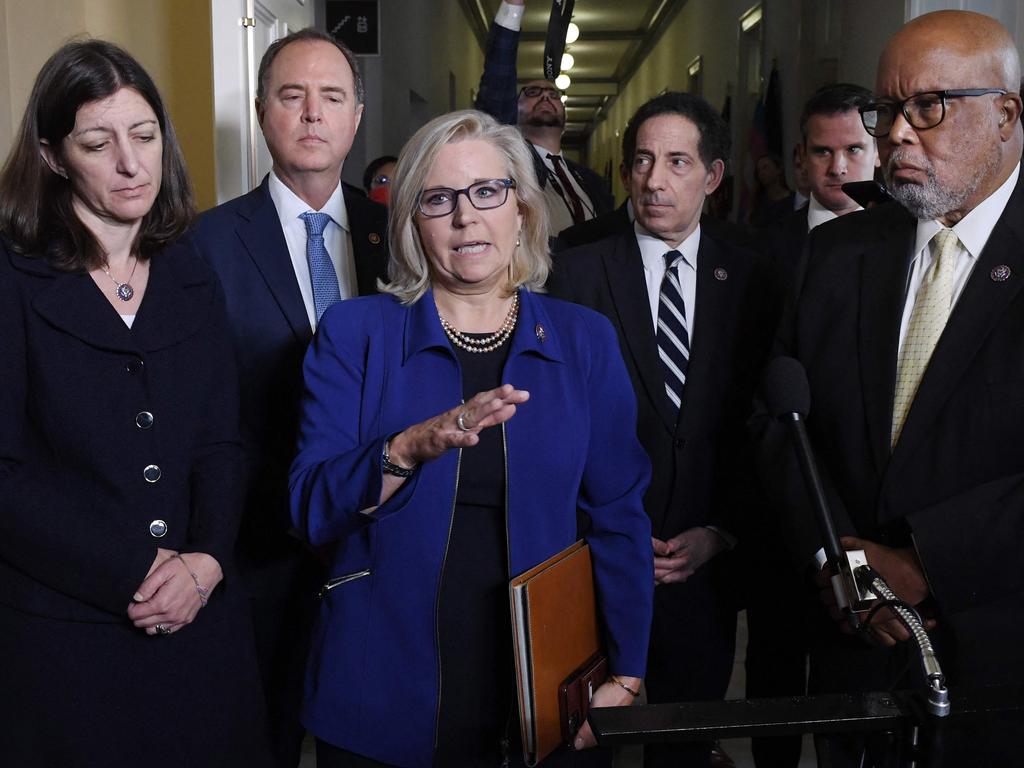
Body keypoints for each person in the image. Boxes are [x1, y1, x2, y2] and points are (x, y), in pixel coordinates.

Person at [288, 109, 653, 768]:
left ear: (523, 210)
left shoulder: (584, 340)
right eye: (438, 199)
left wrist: (627, 671)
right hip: (384, 676)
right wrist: (406, 448)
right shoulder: (354, 333)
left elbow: (619, 517)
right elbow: (310, 506)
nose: (466, 217)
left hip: (545, 675)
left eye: (488, 190)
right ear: (410, 222)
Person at [757, 10, 1024, 766]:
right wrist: (838, 561)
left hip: (996, 653)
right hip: (853, 649)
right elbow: (778, 425)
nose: (897, 133)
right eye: (887, 109)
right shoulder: (836, 253)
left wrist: (925, 561)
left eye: (929, 107)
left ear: (1007, 114)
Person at [0, 40, 268, 767]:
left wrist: (208, 560)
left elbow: (222, 439)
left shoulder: (190, 267)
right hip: (67, 640)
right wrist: (135, 572)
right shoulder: (13, 275)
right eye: (98, 142)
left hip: (203, 626)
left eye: (144, 136)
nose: (130, 162)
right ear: (54, 156)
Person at [548, 91, 778, 768]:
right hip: (592, 562)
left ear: (712, 176)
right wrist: (602, 533)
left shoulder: (756, 277)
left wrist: (722, 530)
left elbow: (760, 423)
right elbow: (556, 422)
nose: (654, 179)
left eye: (677, 162)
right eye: (643, 161)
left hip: (699, 567)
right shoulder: (575, 271)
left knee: (683, 748)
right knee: (581, 743)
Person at [190, 28, 388, 768]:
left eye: (331, 96)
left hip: (380, 543)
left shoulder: (399, 235)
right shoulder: (203, 245)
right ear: (262, 110)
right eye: (292, 95)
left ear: (356, 118)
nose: (312, 113)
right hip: (259, 552)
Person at [475, 0, 614, 234]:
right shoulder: (512, 163)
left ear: (564, 114)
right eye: (533, 93)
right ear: (514, 109)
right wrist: (513, 5)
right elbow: (497, 84)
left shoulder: (591, 181)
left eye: (553, 94)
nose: (545, 98)